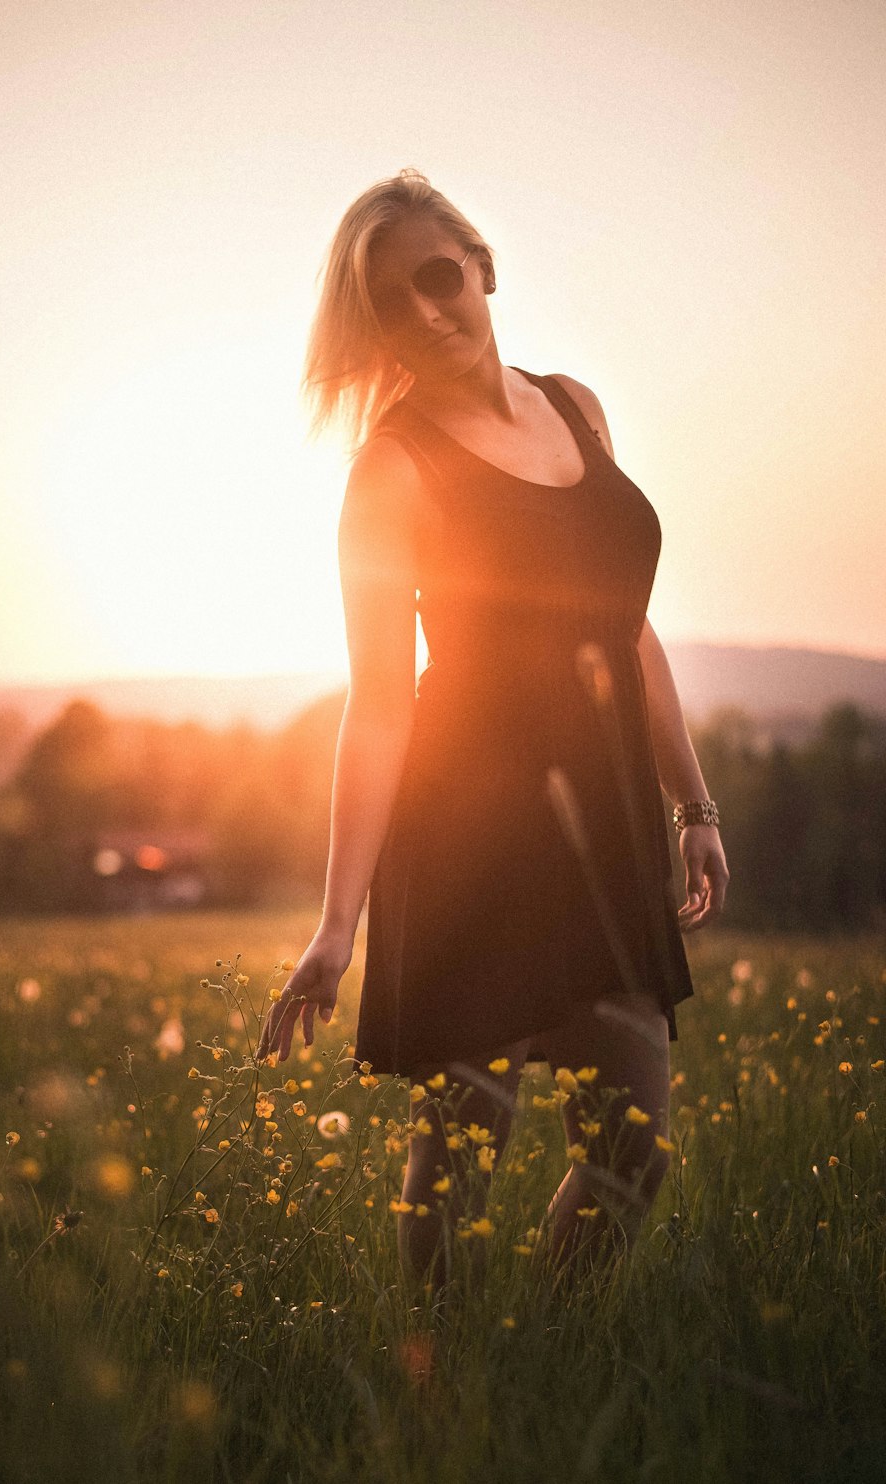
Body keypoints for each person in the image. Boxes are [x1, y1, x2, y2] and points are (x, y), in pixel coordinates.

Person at [256, 169, 729, 1292]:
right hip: (468, 834)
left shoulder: (576, 406)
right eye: (390, 301)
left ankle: (542, 1353)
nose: (425, 311)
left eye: (437, 276)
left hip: (605, 827)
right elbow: (376, 704)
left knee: (633, 1149)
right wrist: (337, 921)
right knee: (461, 1151)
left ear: (482, 267)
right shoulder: (392, 470)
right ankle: (447, 1393)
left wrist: (692, 801)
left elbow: (631, 631)